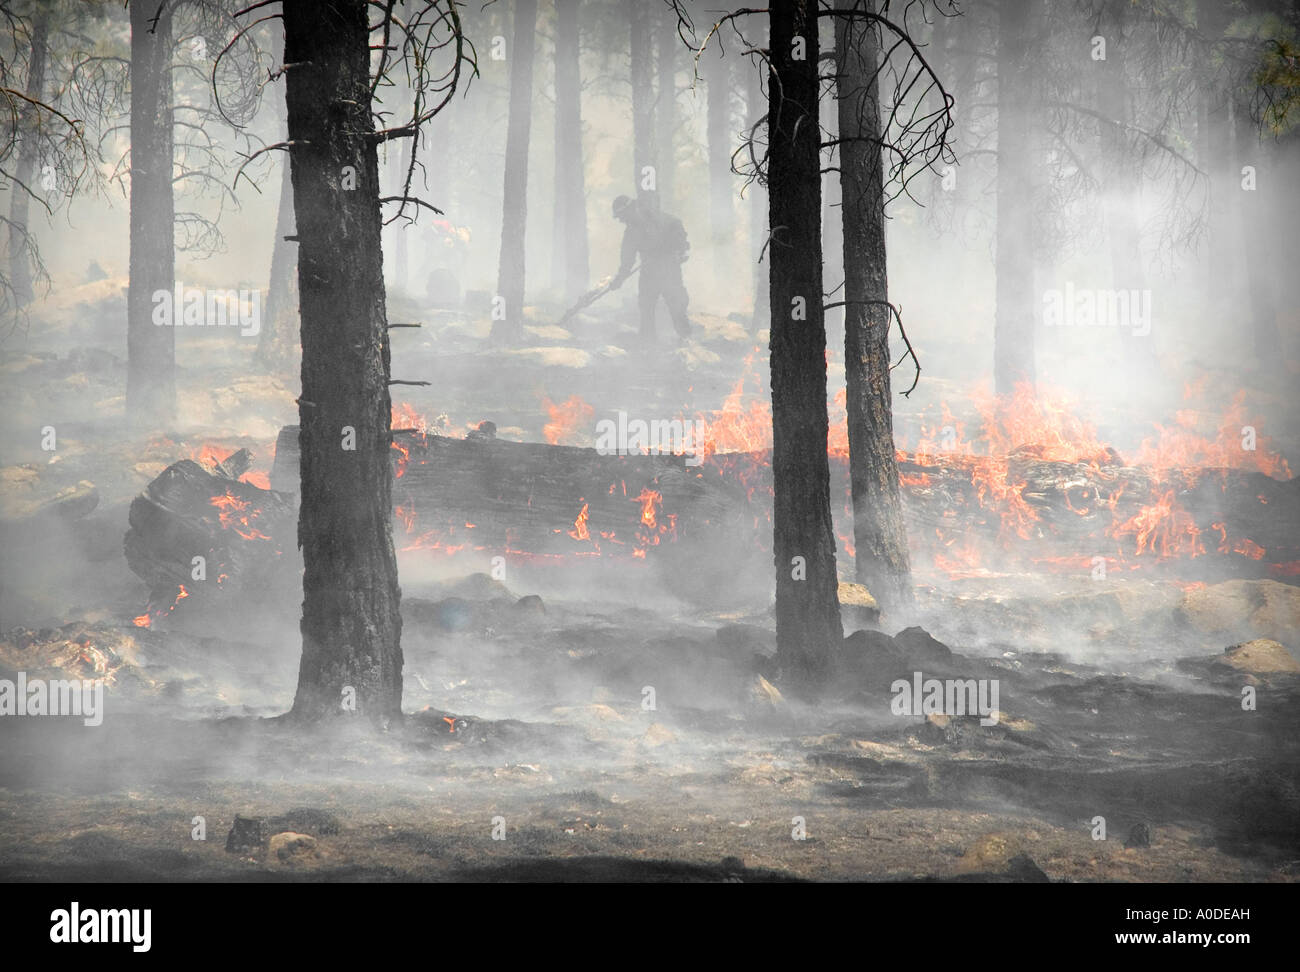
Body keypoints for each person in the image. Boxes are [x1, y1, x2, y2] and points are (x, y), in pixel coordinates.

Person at [609, 194, 692, 341]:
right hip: (649, 273)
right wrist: (619, 279)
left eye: (621, 215)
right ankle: (648, 344)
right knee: (646, 308)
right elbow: (627, 259)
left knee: (676, 306)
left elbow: (677, 229)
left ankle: (687, 339)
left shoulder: (658, 218)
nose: (621, 220)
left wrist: (680, 249)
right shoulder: (631, 232)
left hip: (669, 270)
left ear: (630, 209)